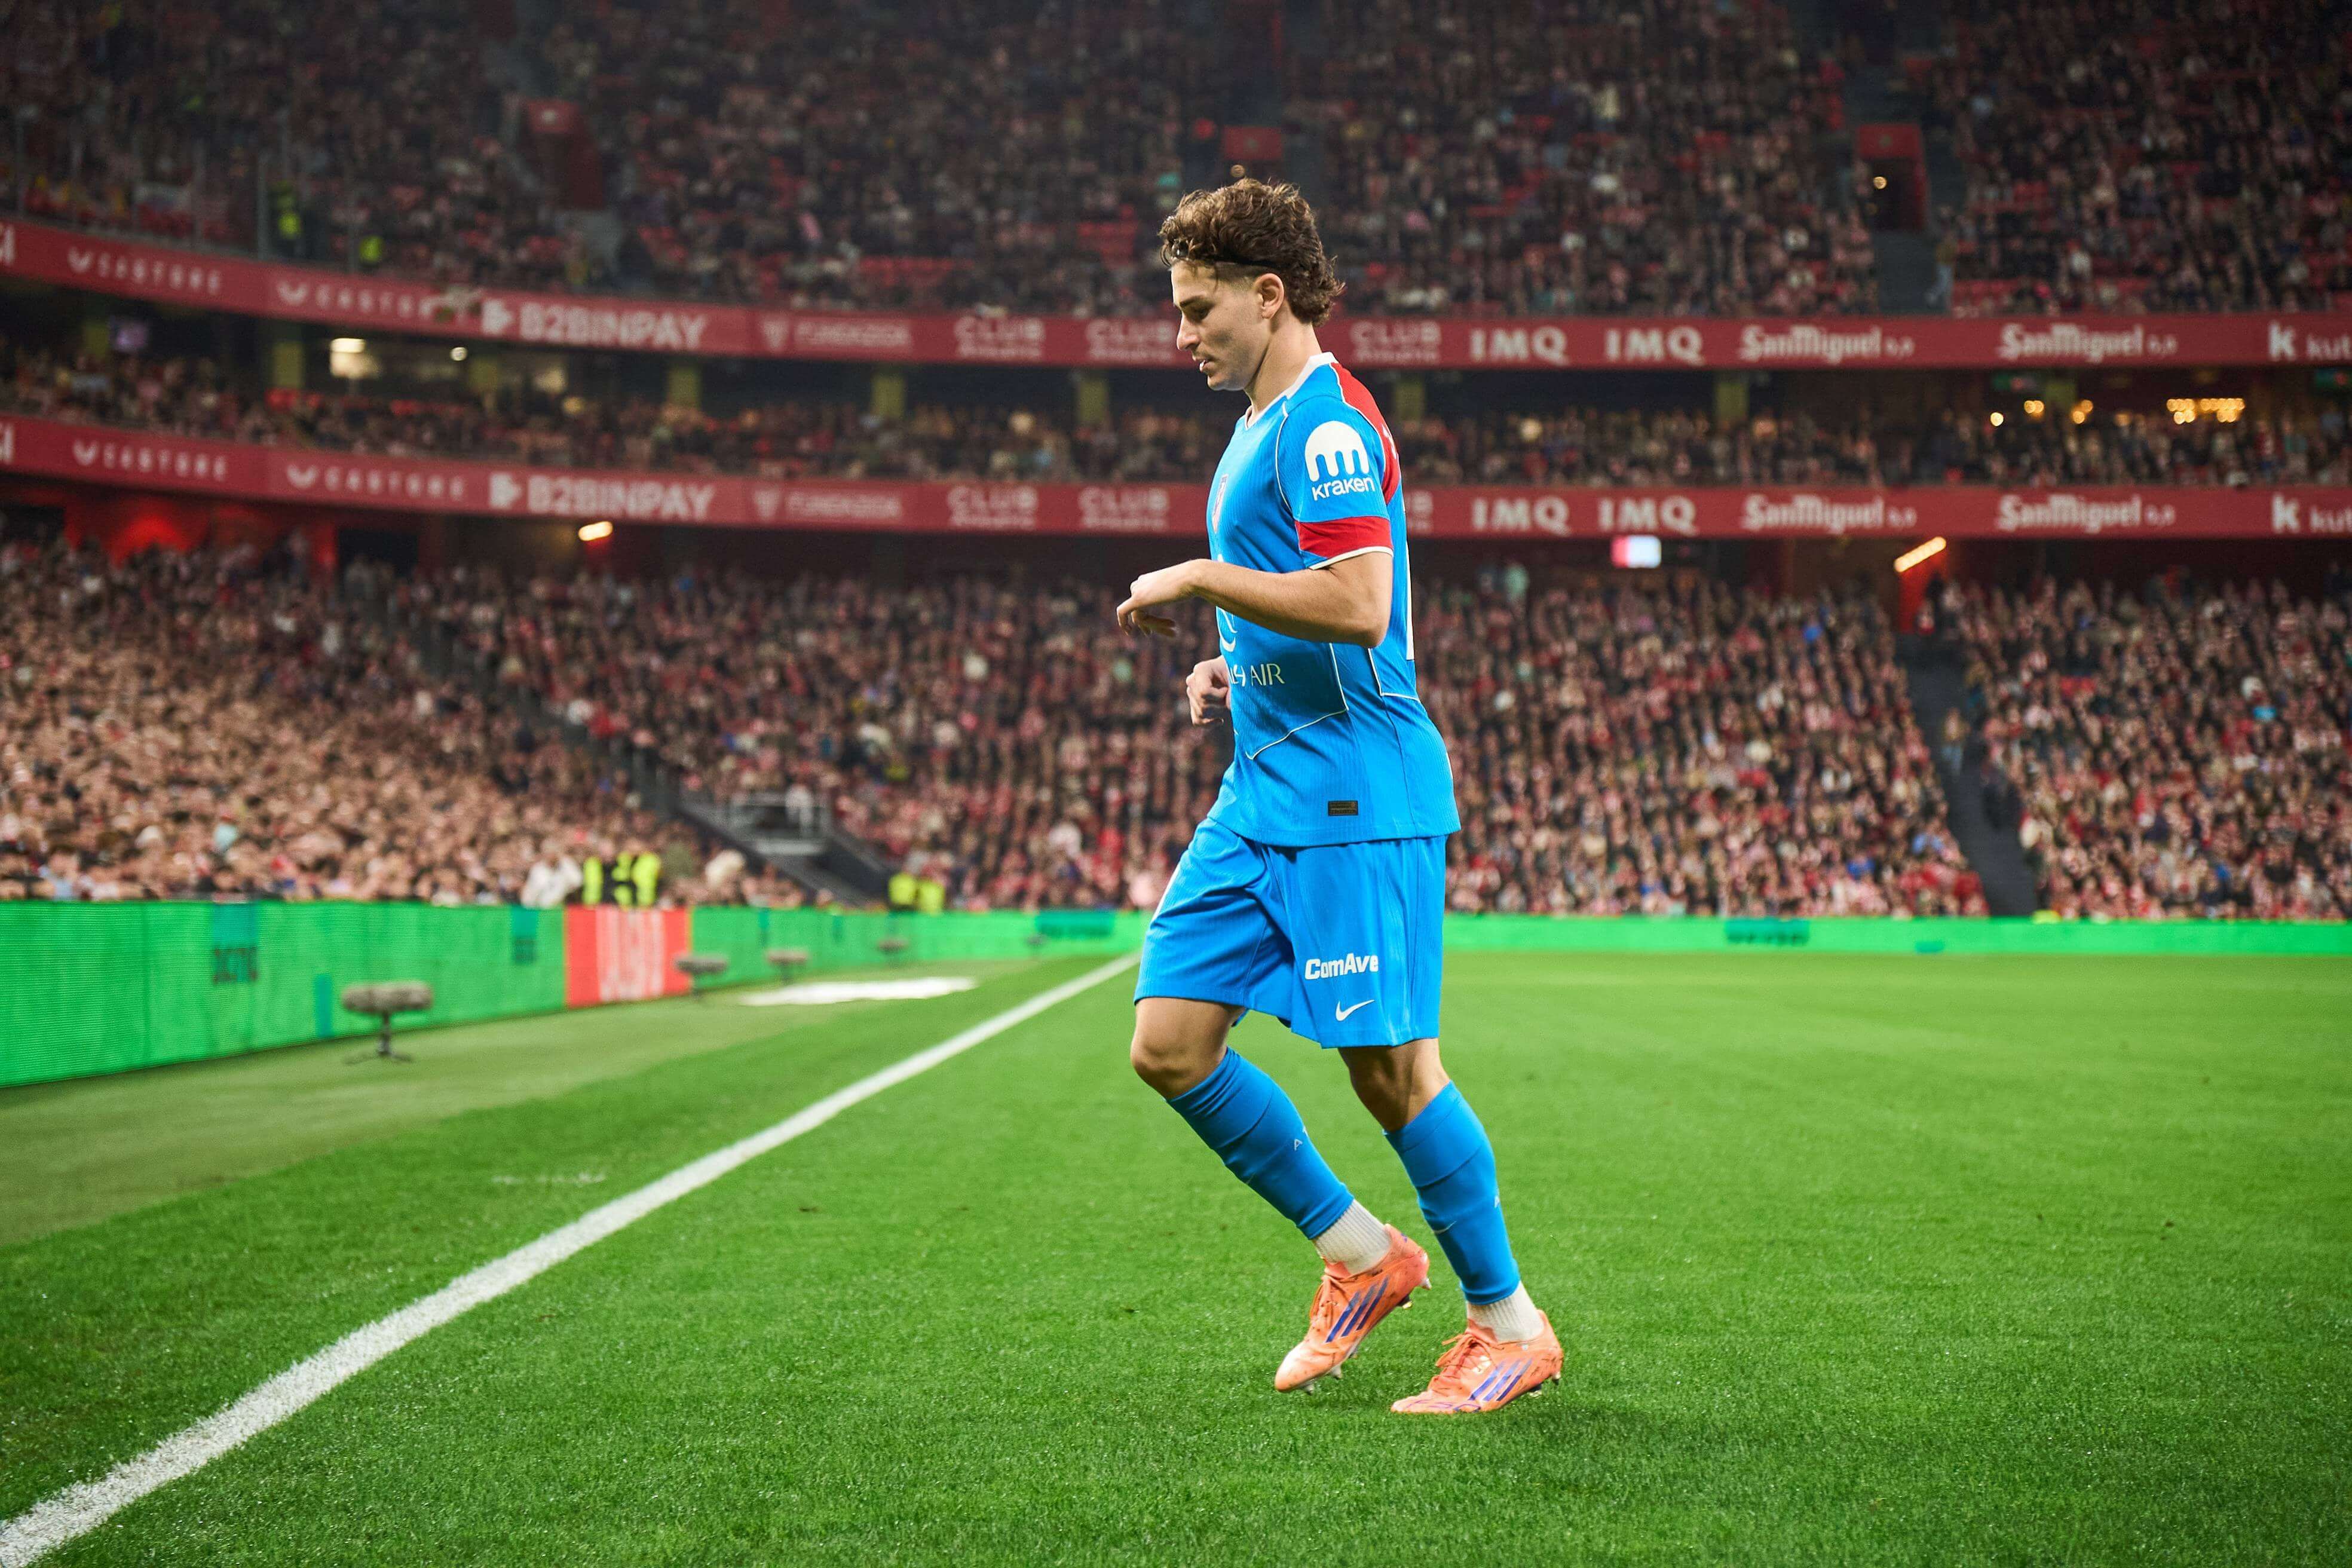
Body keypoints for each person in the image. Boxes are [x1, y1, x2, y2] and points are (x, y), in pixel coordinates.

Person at [1115, 180, 1560, 1415]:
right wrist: (1232, 660)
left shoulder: (1324, 428)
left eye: (1200, 308)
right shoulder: (1260, 422)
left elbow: (1362, 601)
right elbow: (1309, 606)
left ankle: (1508, 1323)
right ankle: (1363, 1255)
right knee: (1170, 1043)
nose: (1182, 332)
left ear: (1270, 296)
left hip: (1358, 800)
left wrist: (1200, 576)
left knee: (1391, 1068)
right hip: (1265, 795)